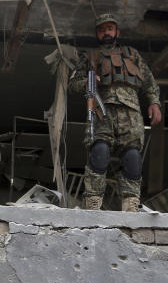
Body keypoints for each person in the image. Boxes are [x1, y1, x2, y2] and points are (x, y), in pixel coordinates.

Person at [69, 13, 162, 211]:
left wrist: (154, 103)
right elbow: (73, 83)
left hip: (131, 114)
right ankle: (93, 202)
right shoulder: (90, 57)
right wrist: (87, 82)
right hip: (102, 111)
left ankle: (130, 204)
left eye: (109, 29)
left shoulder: (132, 54)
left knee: (132, 157)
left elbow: (149, 81)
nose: (106, 33)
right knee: (99, 152)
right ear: (97, 34)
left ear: (117, 32)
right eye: (102, 30)